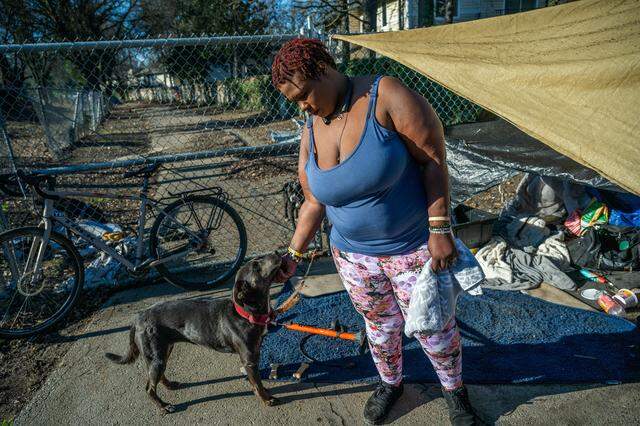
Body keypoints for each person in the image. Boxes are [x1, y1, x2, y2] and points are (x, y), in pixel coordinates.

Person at [271, 38, 480, 426]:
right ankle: (391, 383)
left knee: (434, 329)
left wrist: (440, 227)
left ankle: (455, 391)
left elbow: (433, 161)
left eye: (303, 95)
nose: (302, 106)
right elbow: (313, 202)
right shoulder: (311, 128)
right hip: (352, 257)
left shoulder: (387, 95)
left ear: (323, 70)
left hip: (412, 248)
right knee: (380, 327)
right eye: (294, 101)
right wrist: (293, 255)